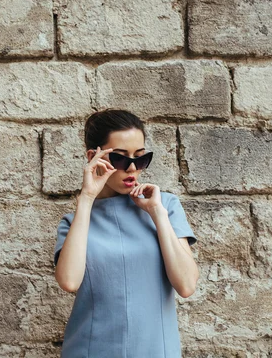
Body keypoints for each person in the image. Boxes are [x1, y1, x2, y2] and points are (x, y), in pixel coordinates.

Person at [53, 108, 199, 357]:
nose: (132, 168)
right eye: (120, 159)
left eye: (140, 158)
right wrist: (86, 198)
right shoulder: (74, 222)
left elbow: (186, 285)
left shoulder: (166, 206)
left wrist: (158, 214)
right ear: (94, 157)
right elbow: (69, 281)